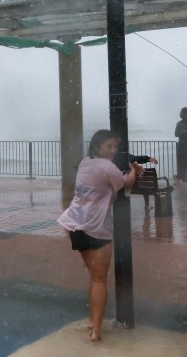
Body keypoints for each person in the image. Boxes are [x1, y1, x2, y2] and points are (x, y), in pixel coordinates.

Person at [57, 129, 144, 342]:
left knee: (93, 277)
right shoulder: (107, 167)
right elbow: (126, 184)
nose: (113, 151)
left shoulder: (85, 162)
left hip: (74, 225)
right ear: (97, 146)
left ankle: (90, 320)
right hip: (96, 227)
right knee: (99, 280)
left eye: (115, 147)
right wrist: (133, 170)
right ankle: (96, 331)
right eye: (109, 146)